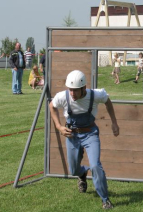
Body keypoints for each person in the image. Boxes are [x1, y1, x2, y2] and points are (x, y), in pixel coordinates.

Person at [49, 70, 119, 210]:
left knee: (95, 165)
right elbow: (52, 106)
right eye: (70, 90)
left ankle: (105, 199)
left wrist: (114, 123)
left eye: (75, 90)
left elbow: (108, 102)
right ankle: (81, 173)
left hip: (90, 134)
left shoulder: (95, 94)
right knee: (73, 170)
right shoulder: (63, 96)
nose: (72, 94)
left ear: (83, 88)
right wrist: (58, 126)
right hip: (72, 135)